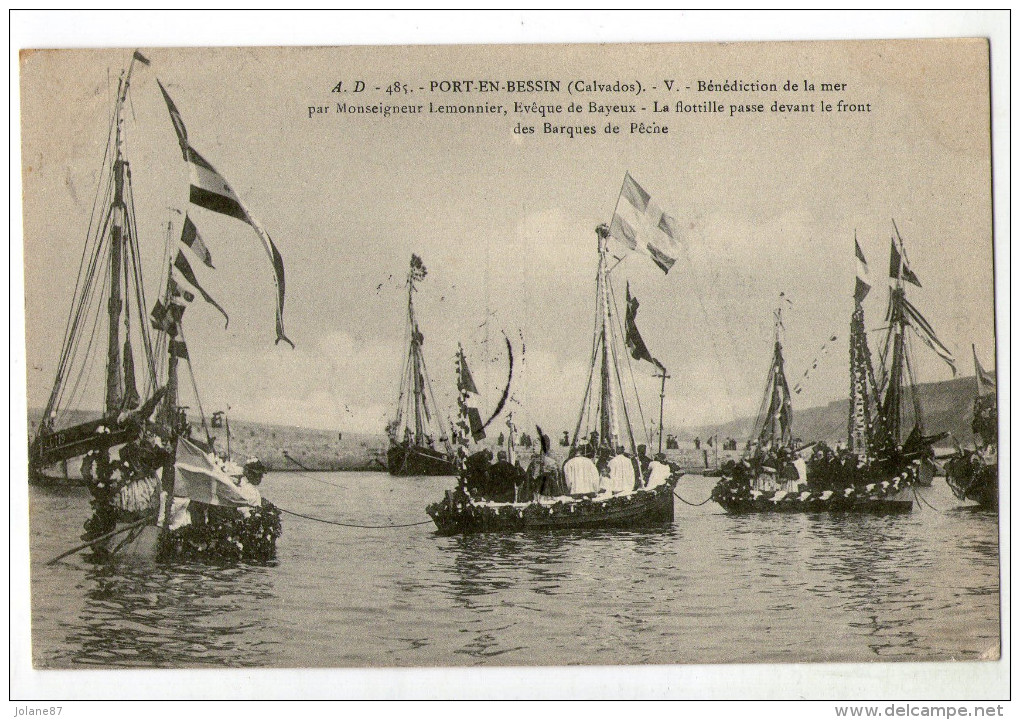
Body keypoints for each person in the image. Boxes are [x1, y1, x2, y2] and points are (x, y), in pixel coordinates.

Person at [526, 433, 565, 498]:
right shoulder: (533, 462)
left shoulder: (550, 462)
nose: (533, 448)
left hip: (548, 493)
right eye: (533, 445)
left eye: (535, 445)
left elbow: (556, 479)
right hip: (536, 494)